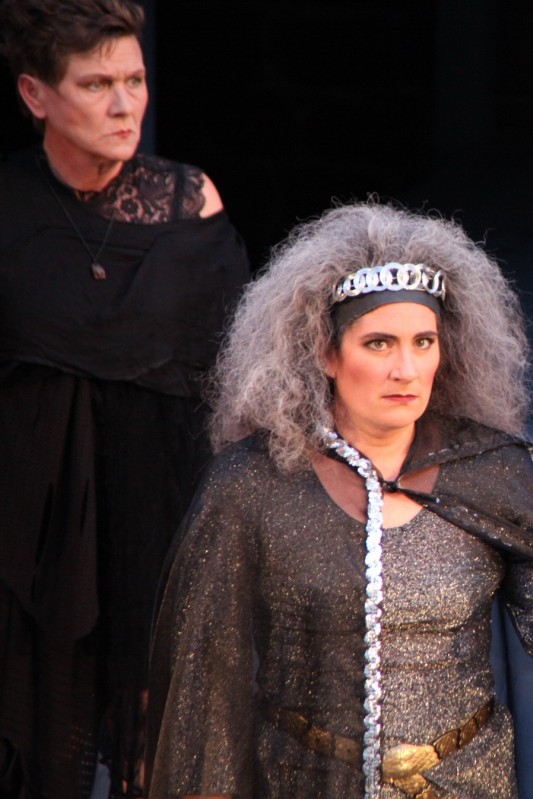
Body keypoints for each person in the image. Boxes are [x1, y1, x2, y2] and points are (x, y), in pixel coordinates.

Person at [144, 202, 533, 798]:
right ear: (325, 352)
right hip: (303, 781)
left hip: (469, 783)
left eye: (424, 342)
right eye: (379, 344)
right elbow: (204, 675)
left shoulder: (487, 469)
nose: (406, 369)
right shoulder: (252, 482)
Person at [0, 0, 251, 796]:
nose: (124, 105)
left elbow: (233, 378)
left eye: (135, 80)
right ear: (36, 95)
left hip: (157, 520)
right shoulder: (9, 209)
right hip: (27, 537)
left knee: (158, 756)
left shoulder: (189, 204)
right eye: (96, 84)